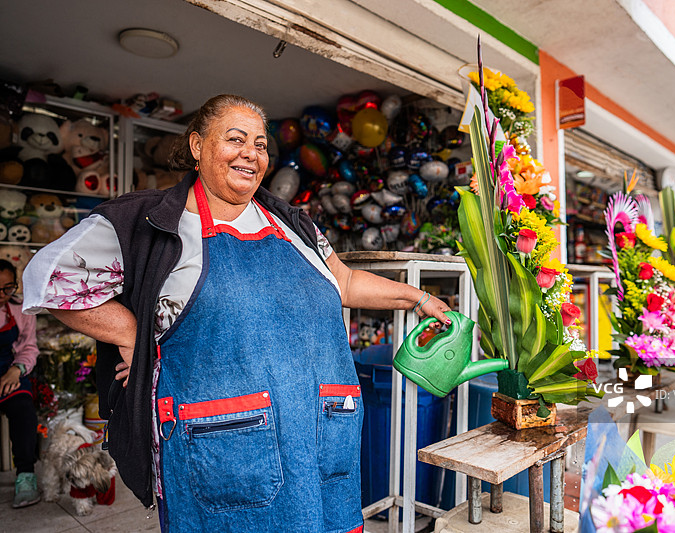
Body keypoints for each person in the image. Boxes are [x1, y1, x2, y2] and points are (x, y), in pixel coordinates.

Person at [22, 94, 451, 532]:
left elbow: (342, 281)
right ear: (196, 146)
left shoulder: (293, 224)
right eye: (235, 139)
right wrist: (131, 335)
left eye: (261, 144)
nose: (251, 152)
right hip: (224, 454)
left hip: (320, 443)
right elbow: (51, 280)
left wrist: (416, 298)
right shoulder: (152, 221)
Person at [0, 259, 41, 508]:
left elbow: (29, 347)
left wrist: (17, 370)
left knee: (24, 410)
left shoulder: (21, 310)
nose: (3, 295)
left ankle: (26, 477)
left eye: (8, 288)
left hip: (10, 372)